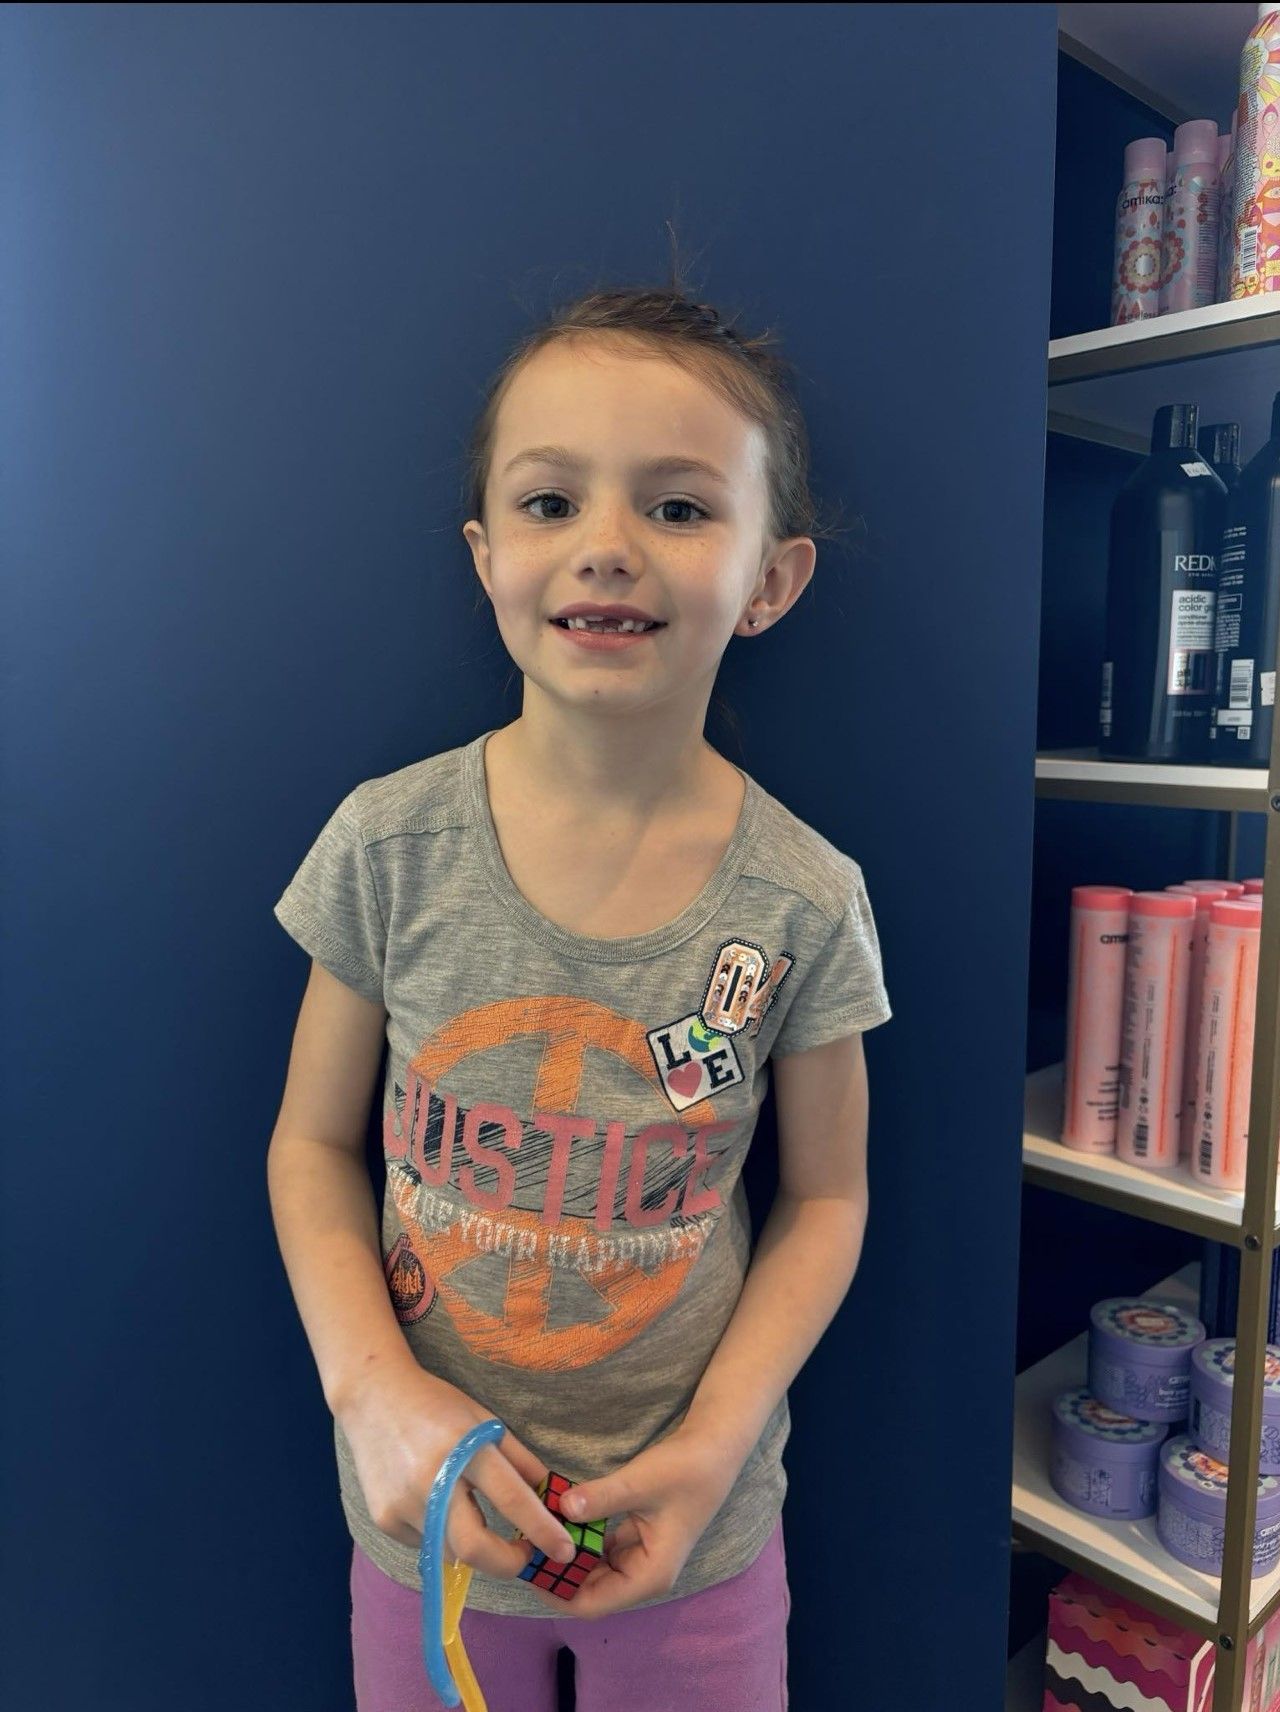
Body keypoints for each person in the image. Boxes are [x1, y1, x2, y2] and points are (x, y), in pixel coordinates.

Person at [267, 270, 892, 1712]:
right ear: (486, 555)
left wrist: (715, 1443)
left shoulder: (804, 897)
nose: (606, 548)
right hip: (428, 1528)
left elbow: (827, 1199)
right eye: (553, 504)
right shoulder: (388, 845)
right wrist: (373, 1397)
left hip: (701, 1542)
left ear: (772, 581)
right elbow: (308, 1145)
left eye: (677, 507)